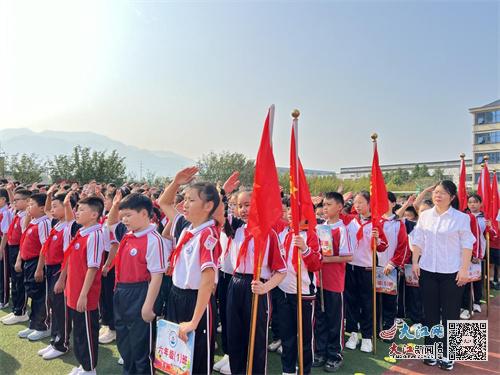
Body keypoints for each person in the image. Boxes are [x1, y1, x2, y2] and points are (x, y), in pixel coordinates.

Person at [159, 167, 222, 375]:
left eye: (191, 200)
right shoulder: (185, 227)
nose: (185, 204)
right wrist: (176, 182)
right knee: (176, 357)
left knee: (197, 359)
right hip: (177, 296)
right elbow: (164, 203)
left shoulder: (208, 235)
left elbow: (207, 281)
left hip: (197, 302)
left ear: (208, 206)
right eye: (184, 199)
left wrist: (195, 321)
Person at [411, 180, 475, 371]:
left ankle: (448, 353)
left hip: (452, 273)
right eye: (436, 192)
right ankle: (431, 350)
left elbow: (467, 245)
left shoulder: (461, 218)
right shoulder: (424, 216)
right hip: (428, 270)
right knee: (429, 313)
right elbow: (418, 240)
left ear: (452, 197)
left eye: (443, 193)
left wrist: (464, 270)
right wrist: (415, 261)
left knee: (450, 313)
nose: (438, 195)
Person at [226, 189, 286, 375]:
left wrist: (264, 287)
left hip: (257, 287)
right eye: (239, 205)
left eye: (247, 205)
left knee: (257, 340)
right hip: (235, 284)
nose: (243, 209)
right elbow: (217, 213)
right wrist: (223, 191)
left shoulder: (269, 234)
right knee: (234, 336)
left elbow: (281, 271)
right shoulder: (235, 229)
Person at [112, 193, 170, 374]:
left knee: (141, 350)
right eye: (123, 217)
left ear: (144, 213)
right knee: (124, 344)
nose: (125, 220)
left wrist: (148, 305)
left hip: (141, 294)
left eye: (128, 215)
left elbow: (157, 276)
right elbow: (110, 224)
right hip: (121, 292)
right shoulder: (128, 235)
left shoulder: (154, 240)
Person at [57, 196, 106, 375]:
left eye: (82, 210)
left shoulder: (95, 234)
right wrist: (63, 280)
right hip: (74, 290)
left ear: (94, 215)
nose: (77, 212)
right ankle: (83, 364)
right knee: (78, 331)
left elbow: (93, 268)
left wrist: (84, 294)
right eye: (77, 209)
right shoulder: (82, 231)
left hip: (85, 295)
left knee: (86, 331)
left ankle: (90, 368)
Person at [277, 205, 321, 375]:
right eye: (288, 210)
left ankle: (304, 370)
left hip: (304, 294)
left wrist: (305, 248)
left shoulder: (311, 235)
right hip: (283, 292)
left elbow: (317, 264)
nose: (289, 213)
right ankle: (288, 370)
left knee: (304, 337)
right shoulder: (283, 234)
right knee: (287, 336)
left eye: (294, 211)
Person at [313, 192, 353, 372]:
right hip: (319, 280)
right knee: (320, 318)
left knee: (334, 320)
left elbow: (348, 256)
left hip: (335, 283)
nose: (325, 208)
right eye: (324, 205)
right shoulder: (320, 227)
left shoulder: (342, 229)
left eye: (329, 204)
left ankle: (335, 354)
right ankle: (320, 351)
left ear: (339, 207)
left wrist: (323, 259)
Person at [344, 191, 388, 353]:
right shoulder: (350, 221)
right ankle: (353, 333)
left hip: (367, 268)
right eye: (356, 203)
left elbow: (384, 246)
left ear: (369, 204)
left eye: (361, 202)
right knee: (351, 302)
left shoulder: (376, 223)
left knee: (367, 303)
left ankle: (367, 336)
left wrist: (377, 240)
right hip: (350, 266)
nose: (358, 206)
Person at [35, 190, 76, 359]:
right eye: (51, 206)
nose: (51, 210)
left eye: (55, 207)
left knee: (61, 309)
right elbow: (45, 210)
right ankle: (55, 340)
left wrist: (62, 278)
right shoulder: (56, 224)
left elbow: (68, 254)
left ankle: (62, 344)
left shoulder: (68, 226)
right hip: (51, 269)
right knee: (53, 306)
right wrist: (50, 195)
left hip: (60, 270)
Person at [16, 193, 52, 341]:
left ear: (43, 208)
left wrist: (39, 268)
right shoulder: (34, 221)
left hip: (37, 262)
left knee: (39, 296)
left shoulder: (44, 223)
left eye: (32, 205)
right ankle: (33, 323)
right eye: (28, 204)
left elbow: (45, 246)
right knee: (32, 293)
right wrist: (20, 260)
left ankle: (43, 326)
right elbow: (23, 241)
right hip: (28, 262)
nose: (29, 207)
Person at [1, 188, 31, 325]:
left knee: (20, 281)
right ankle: (16, 310)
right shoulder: (18, 213)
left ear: (27, 201)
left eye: (18, 200)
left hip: (19, 249)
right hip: (12, 248)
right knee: (15, 281)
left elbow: (24, 238)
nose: (15, 202)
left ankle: (21, 312)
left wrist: (20, 256)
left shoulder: (26, 216)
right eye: (14, 200)